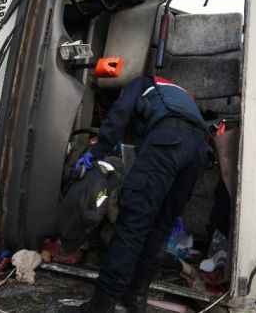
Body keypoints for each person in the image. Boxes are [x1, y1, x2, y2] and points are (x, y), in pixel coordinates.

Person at [61, 75, 212, 313]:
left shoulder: (140, 83)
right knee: (159, 228)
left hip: (169, 137)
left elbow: (119, 115)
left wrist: (97, 150)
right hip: (199, 151)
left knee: (132, 224)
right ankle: (136, 297)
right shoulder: (174, 93)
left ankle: (101, 306)